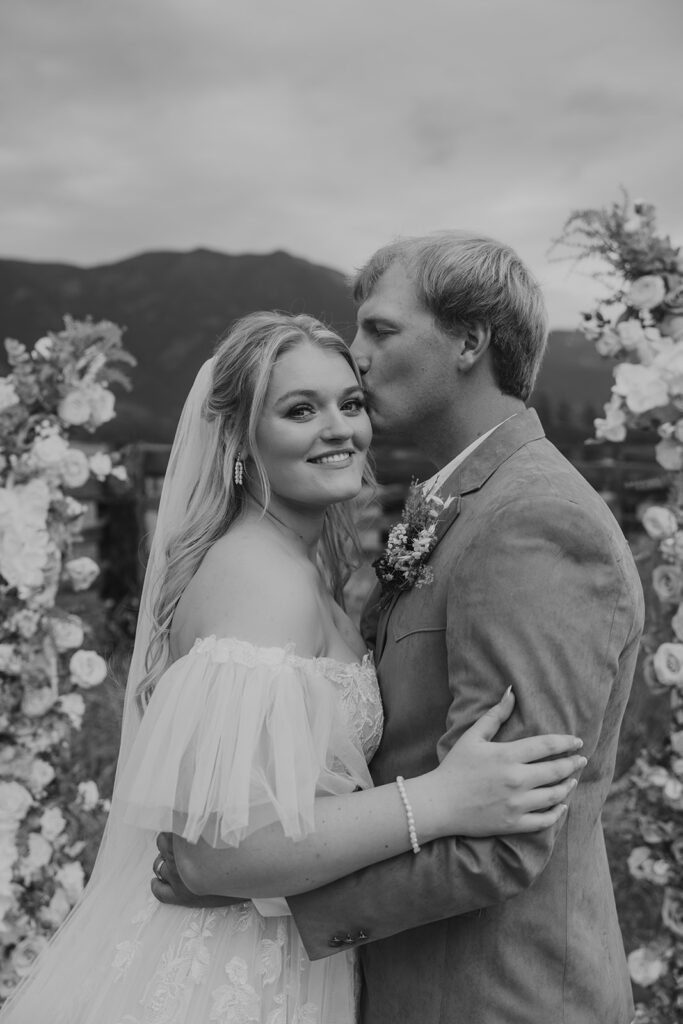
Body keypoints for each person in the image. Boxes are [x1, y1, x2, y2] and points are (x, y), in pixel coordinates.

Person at [0, 311, 584, 1024]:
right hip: (227, 974)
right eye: (299, 410)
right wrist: (443, 799)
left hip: (293, 953)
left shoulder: (299, 567)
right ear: (242, 440)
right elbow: (221, 852)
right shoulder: (257, 581)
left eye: (349, 403)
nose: (337, 428)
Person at [157, 236, 644, 1024]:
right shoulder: (461, 509)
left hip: (494, 996)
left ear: (467, 342)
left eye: (380, 331)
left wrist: (259, 890)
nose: (356, 357)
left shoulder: (534, 522)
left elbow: (504, 836)